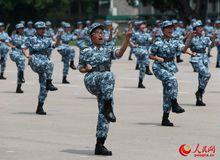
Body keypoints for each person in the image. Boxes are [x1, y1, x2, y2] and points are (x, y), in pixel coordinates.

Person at [78, 23, 132, 156]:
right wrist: (87, 68)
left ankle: (100, 144)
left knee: (104, 113)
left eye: (102, 32)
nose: (101, 34)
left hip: (105, 83)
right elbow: (80, 68)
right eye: (98, 32)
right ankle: (108, 106)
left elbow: (119, 54)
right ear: (92, 36)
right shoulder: (85, 50)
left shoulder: (108, 48)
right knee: (109, 75)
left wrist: (126, 40)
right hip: (92, 79)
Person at [149, 20, 195, 126]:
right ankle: (174, 104)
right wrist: (157, 57)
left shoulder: (175, 41)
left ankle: (165, 118)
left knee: (167, 92)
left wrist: (190, 38)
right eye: (168, 28)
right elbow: (150, 55)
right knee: (172, 80)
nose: (170, 30)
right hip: (159, 67)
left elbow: (184, 49)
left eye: (172, 28)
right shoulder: (158, 42)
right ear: (163, 30)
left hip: (170, 66)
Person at [21, 21, 59, 115]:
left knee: (44, 87)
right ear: (36, 29)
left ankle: (40, 107)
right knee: (50, 64)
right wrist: (27, 56)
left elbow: (54, 45)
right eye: (41, 29)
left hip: (44, 61)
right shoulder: (31, 38)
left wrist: (59, 38)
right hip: (35, 60)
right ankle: (49, 83)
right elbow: (24, 48)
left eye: (44, 28)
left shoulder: (47, 39)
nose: (43, 30)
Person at [189, 20, 216, 106]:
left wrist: (214, 38)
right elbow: (183, 45)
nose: (201, 28)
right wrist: (189, 36)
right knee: (207, 74)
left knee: (201, 79)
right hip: (196, 58)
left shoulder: (206, 37)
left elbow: (211, 45)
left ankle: (199, 99)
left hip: (204, 59)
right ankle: (199, 92)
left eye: (201, 27)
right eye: (199, 27)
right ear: (195, 29)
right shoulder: (192, 37)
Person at [130, 21, 154, 88]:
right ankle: (147, 67)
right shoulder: (136, 34)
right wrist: (133, 45)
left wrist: (154, 36)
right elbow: (130, 40)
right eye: (142, 25)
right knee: (145, 54)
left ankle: (140, 82)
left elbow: (151, 41)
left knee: (142, 68)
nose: (144, 26)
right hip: (138, 49)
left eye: (144, 25)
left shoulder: (147, 34)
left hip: (144, 49)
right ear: (139, 26)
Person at [10, 23, 27, 93]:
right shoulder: (14, 36)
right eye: (20, 28)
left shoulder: (25, 37)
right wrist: (11, 45)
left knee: (20, 68)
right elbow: (6, 41)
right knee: (21, 60)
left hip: (21, 53)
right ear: (17, 29)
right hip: (14, 52)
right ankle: (21, 75)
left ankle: (19, 87)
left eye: (22, 28)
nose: (22, 30)